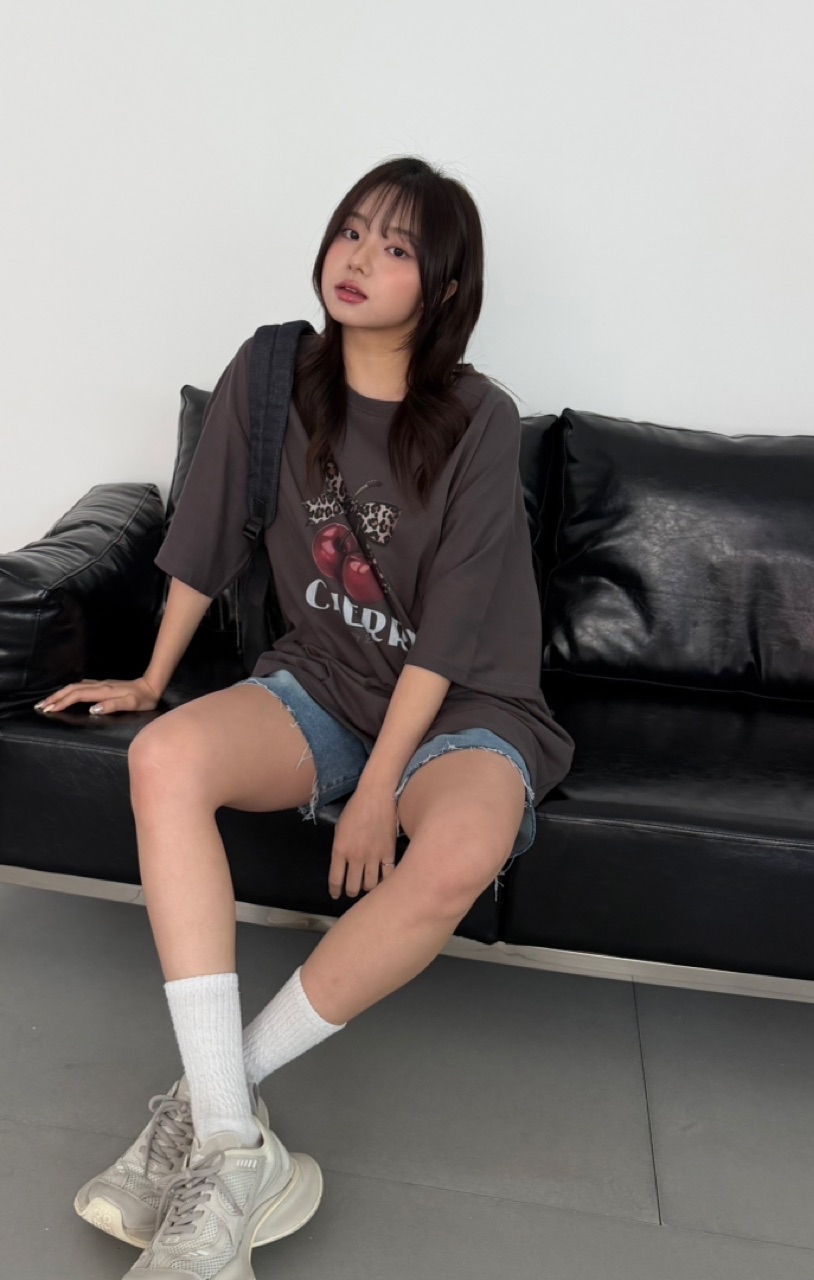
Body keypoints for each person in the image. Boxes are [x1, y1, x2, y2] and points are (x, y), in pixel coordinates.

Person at [40, 155, 575, 1278]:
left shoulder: (478, 417)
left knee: (460, 848)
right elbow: (204, 536)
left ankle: (209, 1101)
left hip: (465, 702)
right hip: (326, 678)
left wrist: (378, 786)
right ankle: (237, 1146)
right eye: (352, 230)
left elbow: (452, 629)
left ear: (443, 286)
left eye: (396, 247)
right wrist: (150, 679)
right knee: (165, 756)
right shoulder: (271, 370)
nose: (359, 257)